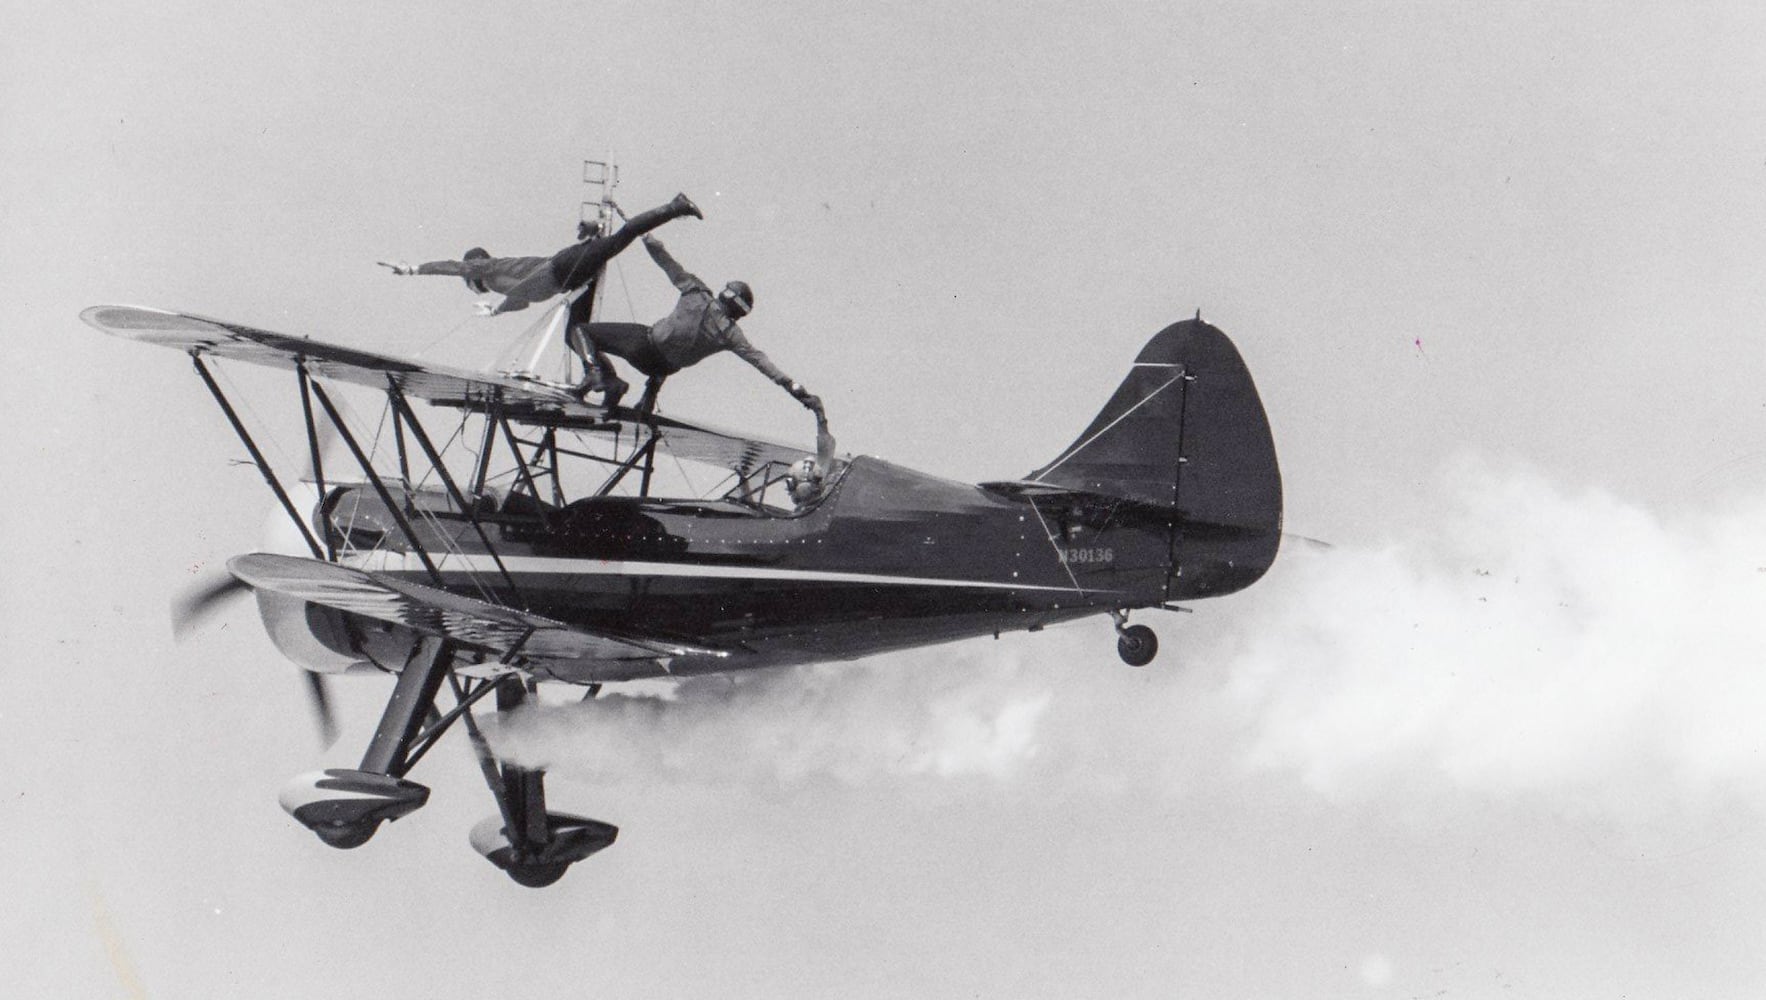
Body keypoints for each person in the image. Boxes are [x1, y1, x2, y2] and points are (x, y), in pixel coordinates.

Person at [568, 231, 823, 419]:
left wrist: (646, 236)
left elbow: (666, 262)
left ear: (726, 295)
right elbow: (762, 362)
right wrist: (794, 388)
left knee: (579, 332)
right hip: (662, 366)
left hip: (644, 347)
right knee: (675, 353)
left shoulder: (696, 293)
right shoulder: (731, 334)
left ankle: (599, 375)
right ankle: (646, 396)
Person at [377, 193, 702, 314]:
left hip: (562, 269)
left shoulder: (486, 269)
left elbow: (453, 268)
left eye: (470, 278)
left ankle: (675, 206)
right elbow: (522, 299)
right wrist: (496, 312)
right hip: (564, 275)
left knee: (623, 237)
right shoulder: (501, 285)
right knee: (614, 244)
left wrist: (413, 269)